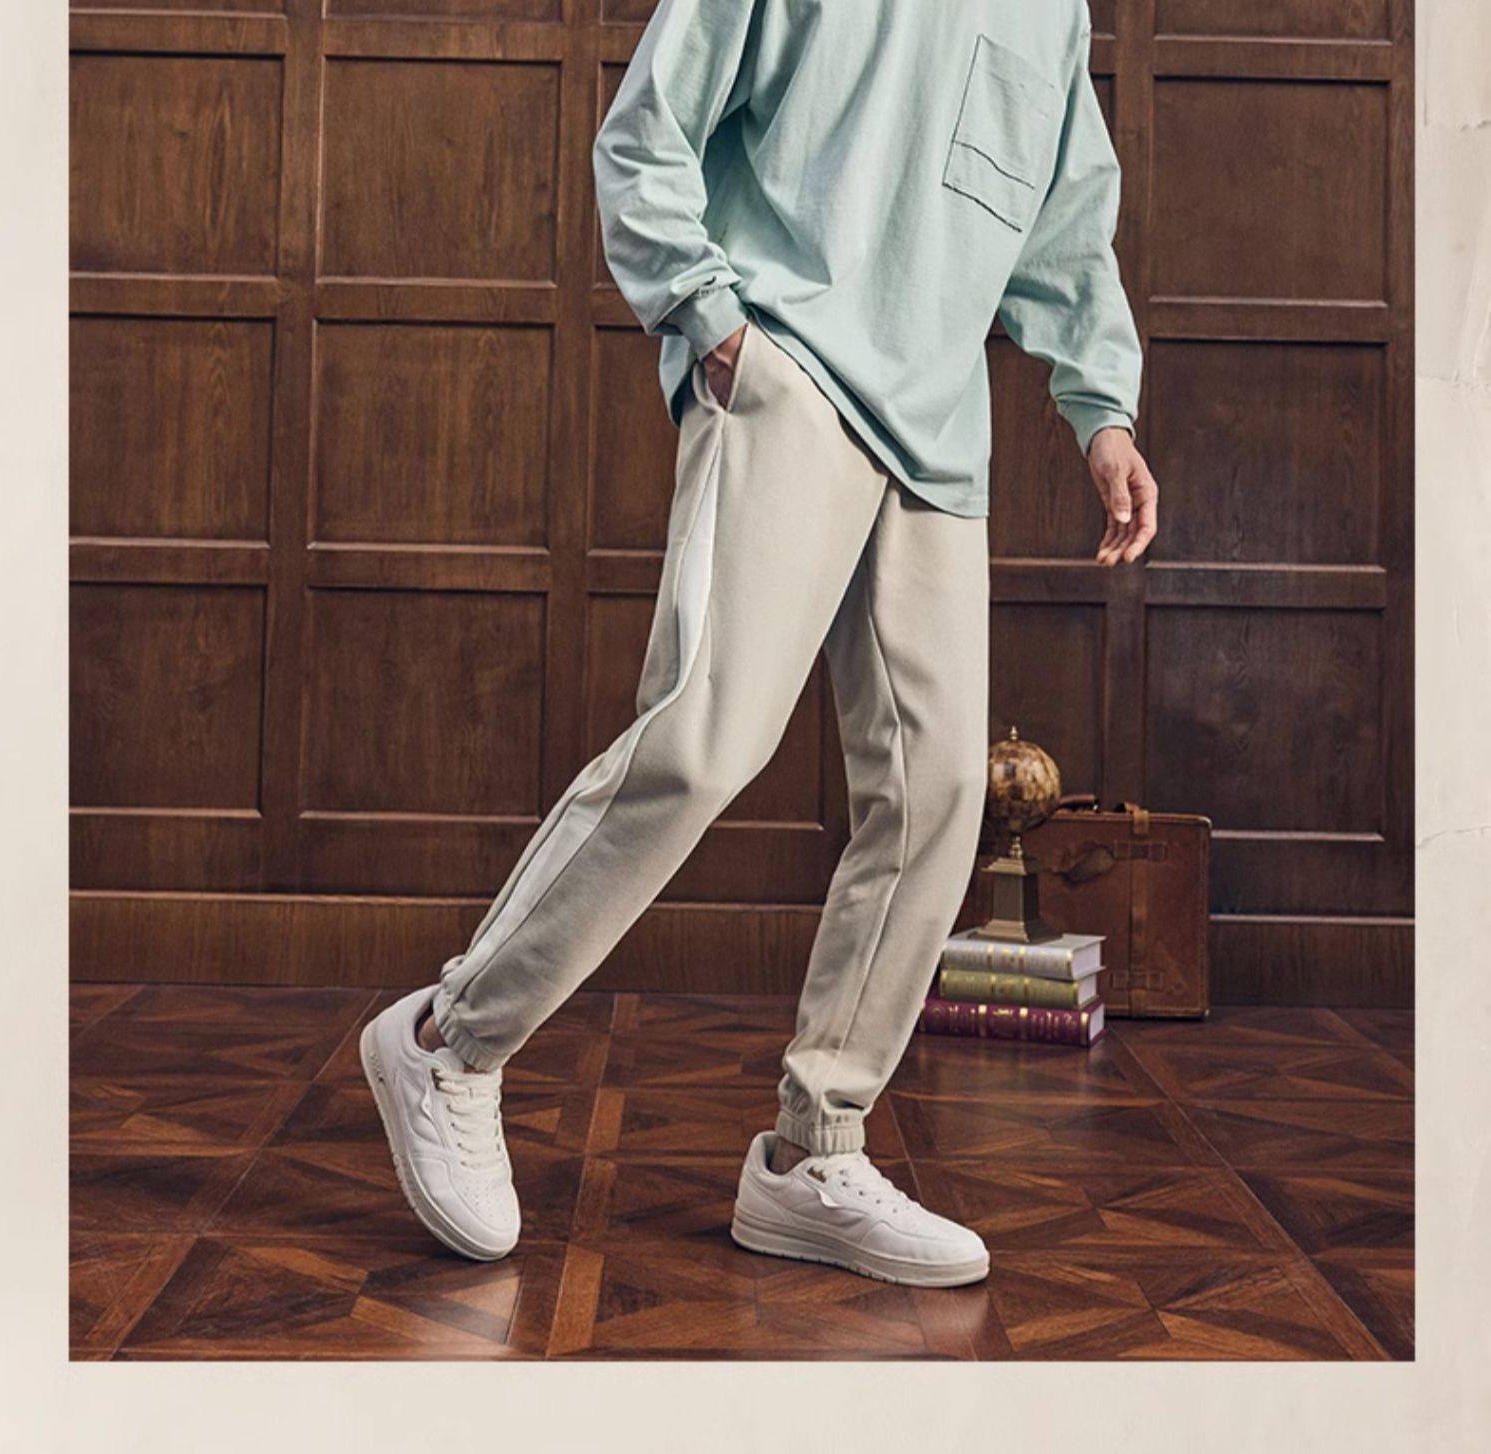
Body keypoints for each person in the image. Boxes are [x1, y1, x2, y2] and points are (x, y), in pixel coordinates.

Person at [359, 0, 1157, 1288]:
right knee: (707, 738)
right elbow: (646, 132)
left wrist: (1102, 411)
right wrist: (710, 314)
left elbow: (1065, 225)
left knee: (938, 797)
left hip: (940, 435)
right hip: (786, 364)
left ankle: (812, 1152)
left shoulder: (1051, 11)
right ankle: (451, 1038)